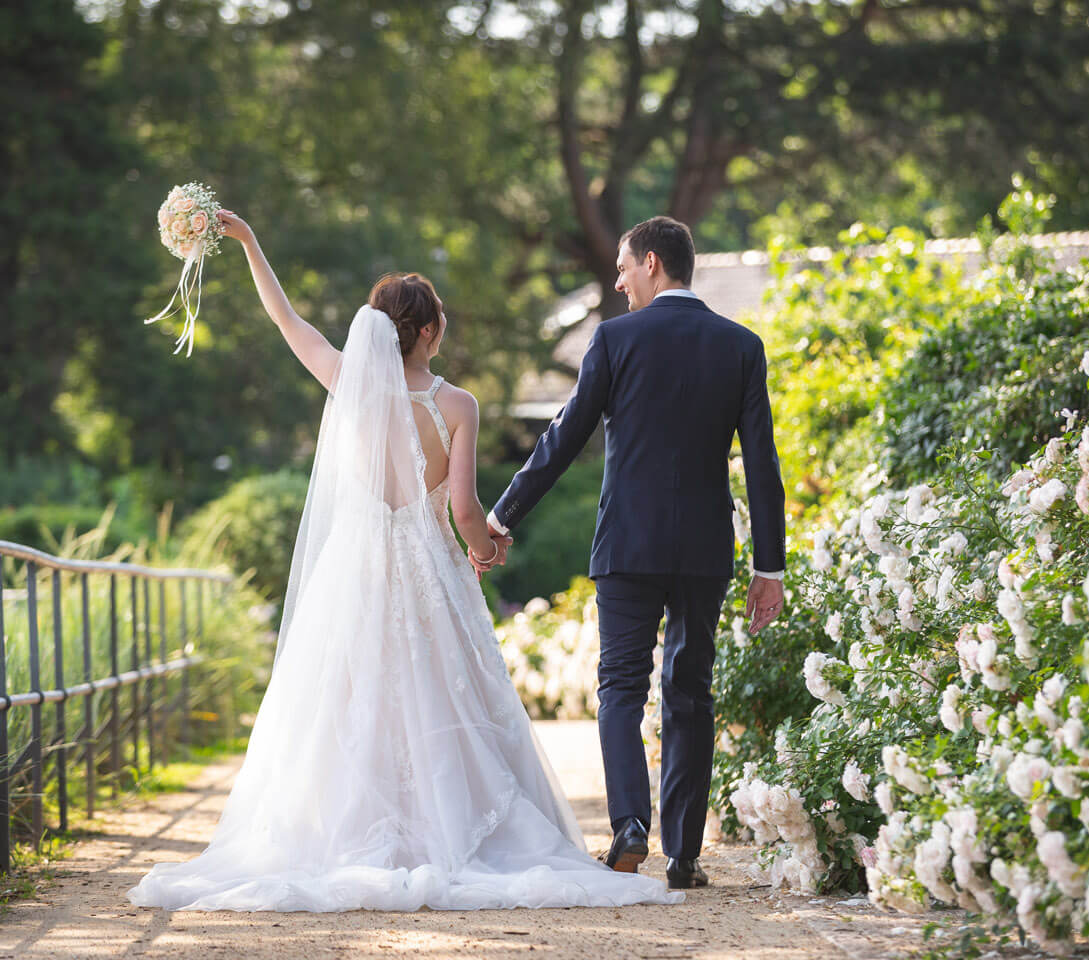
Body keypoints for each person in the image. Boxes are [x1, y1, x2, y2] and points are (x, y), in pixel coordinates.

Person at [126, 209, 683, 912]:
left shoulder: (347, 386)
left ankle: (346, 831)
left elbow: (287, 320)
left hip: (354, 572)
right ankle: (447, 832)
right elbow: (463, 510)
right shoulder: (457, 404)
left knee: (353, 700)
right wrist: (487, 548)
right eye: (439, 319)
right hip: (427, 572)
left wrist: (248, 241)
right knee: (442, 696)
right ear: (426, 331)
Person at [484, 215, 787, 890]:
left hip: (627, 544)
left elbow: (562, 438)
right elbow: (762, 464)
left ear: (652, 262)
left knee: (621, 687)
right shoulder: (740, 345)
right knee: (690, 690)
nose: (618, 283)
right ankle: (683, 854)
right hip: (705, 548)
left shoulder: (616, 339)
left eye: (623, 269)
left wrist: (502, 515)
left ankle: (628, 829)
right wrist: (770, 566)